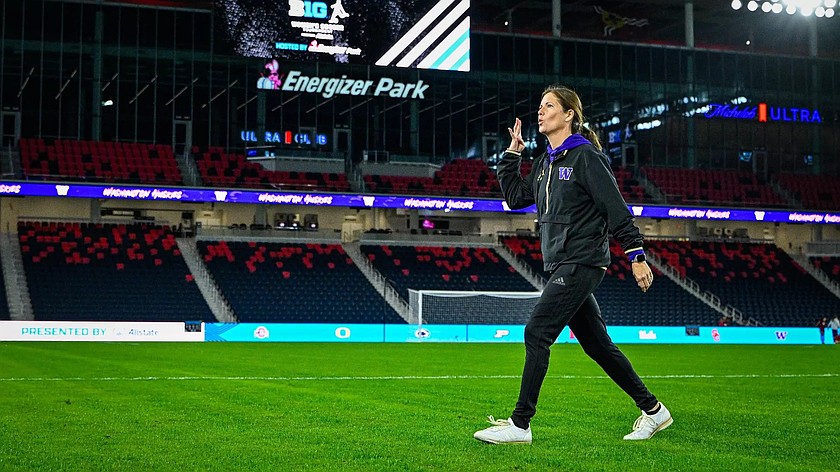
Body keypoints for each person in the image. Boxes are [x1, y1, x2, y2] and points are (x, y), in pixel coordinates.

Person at [474, 85, 672, 444]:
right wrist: (511, 156)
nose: (540, 111)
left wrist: (636, 255)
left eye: (548, 105)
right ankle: (655, 411)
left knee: (536, 332)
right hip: (561, 263)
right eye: (539, 105)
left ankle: (520, 424)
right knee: (598, 347)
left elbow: (615, 206)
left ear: (569, 115)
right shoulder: (545, 163)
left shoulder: (585, 157)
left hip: (582, 260)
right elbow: (516, 198)